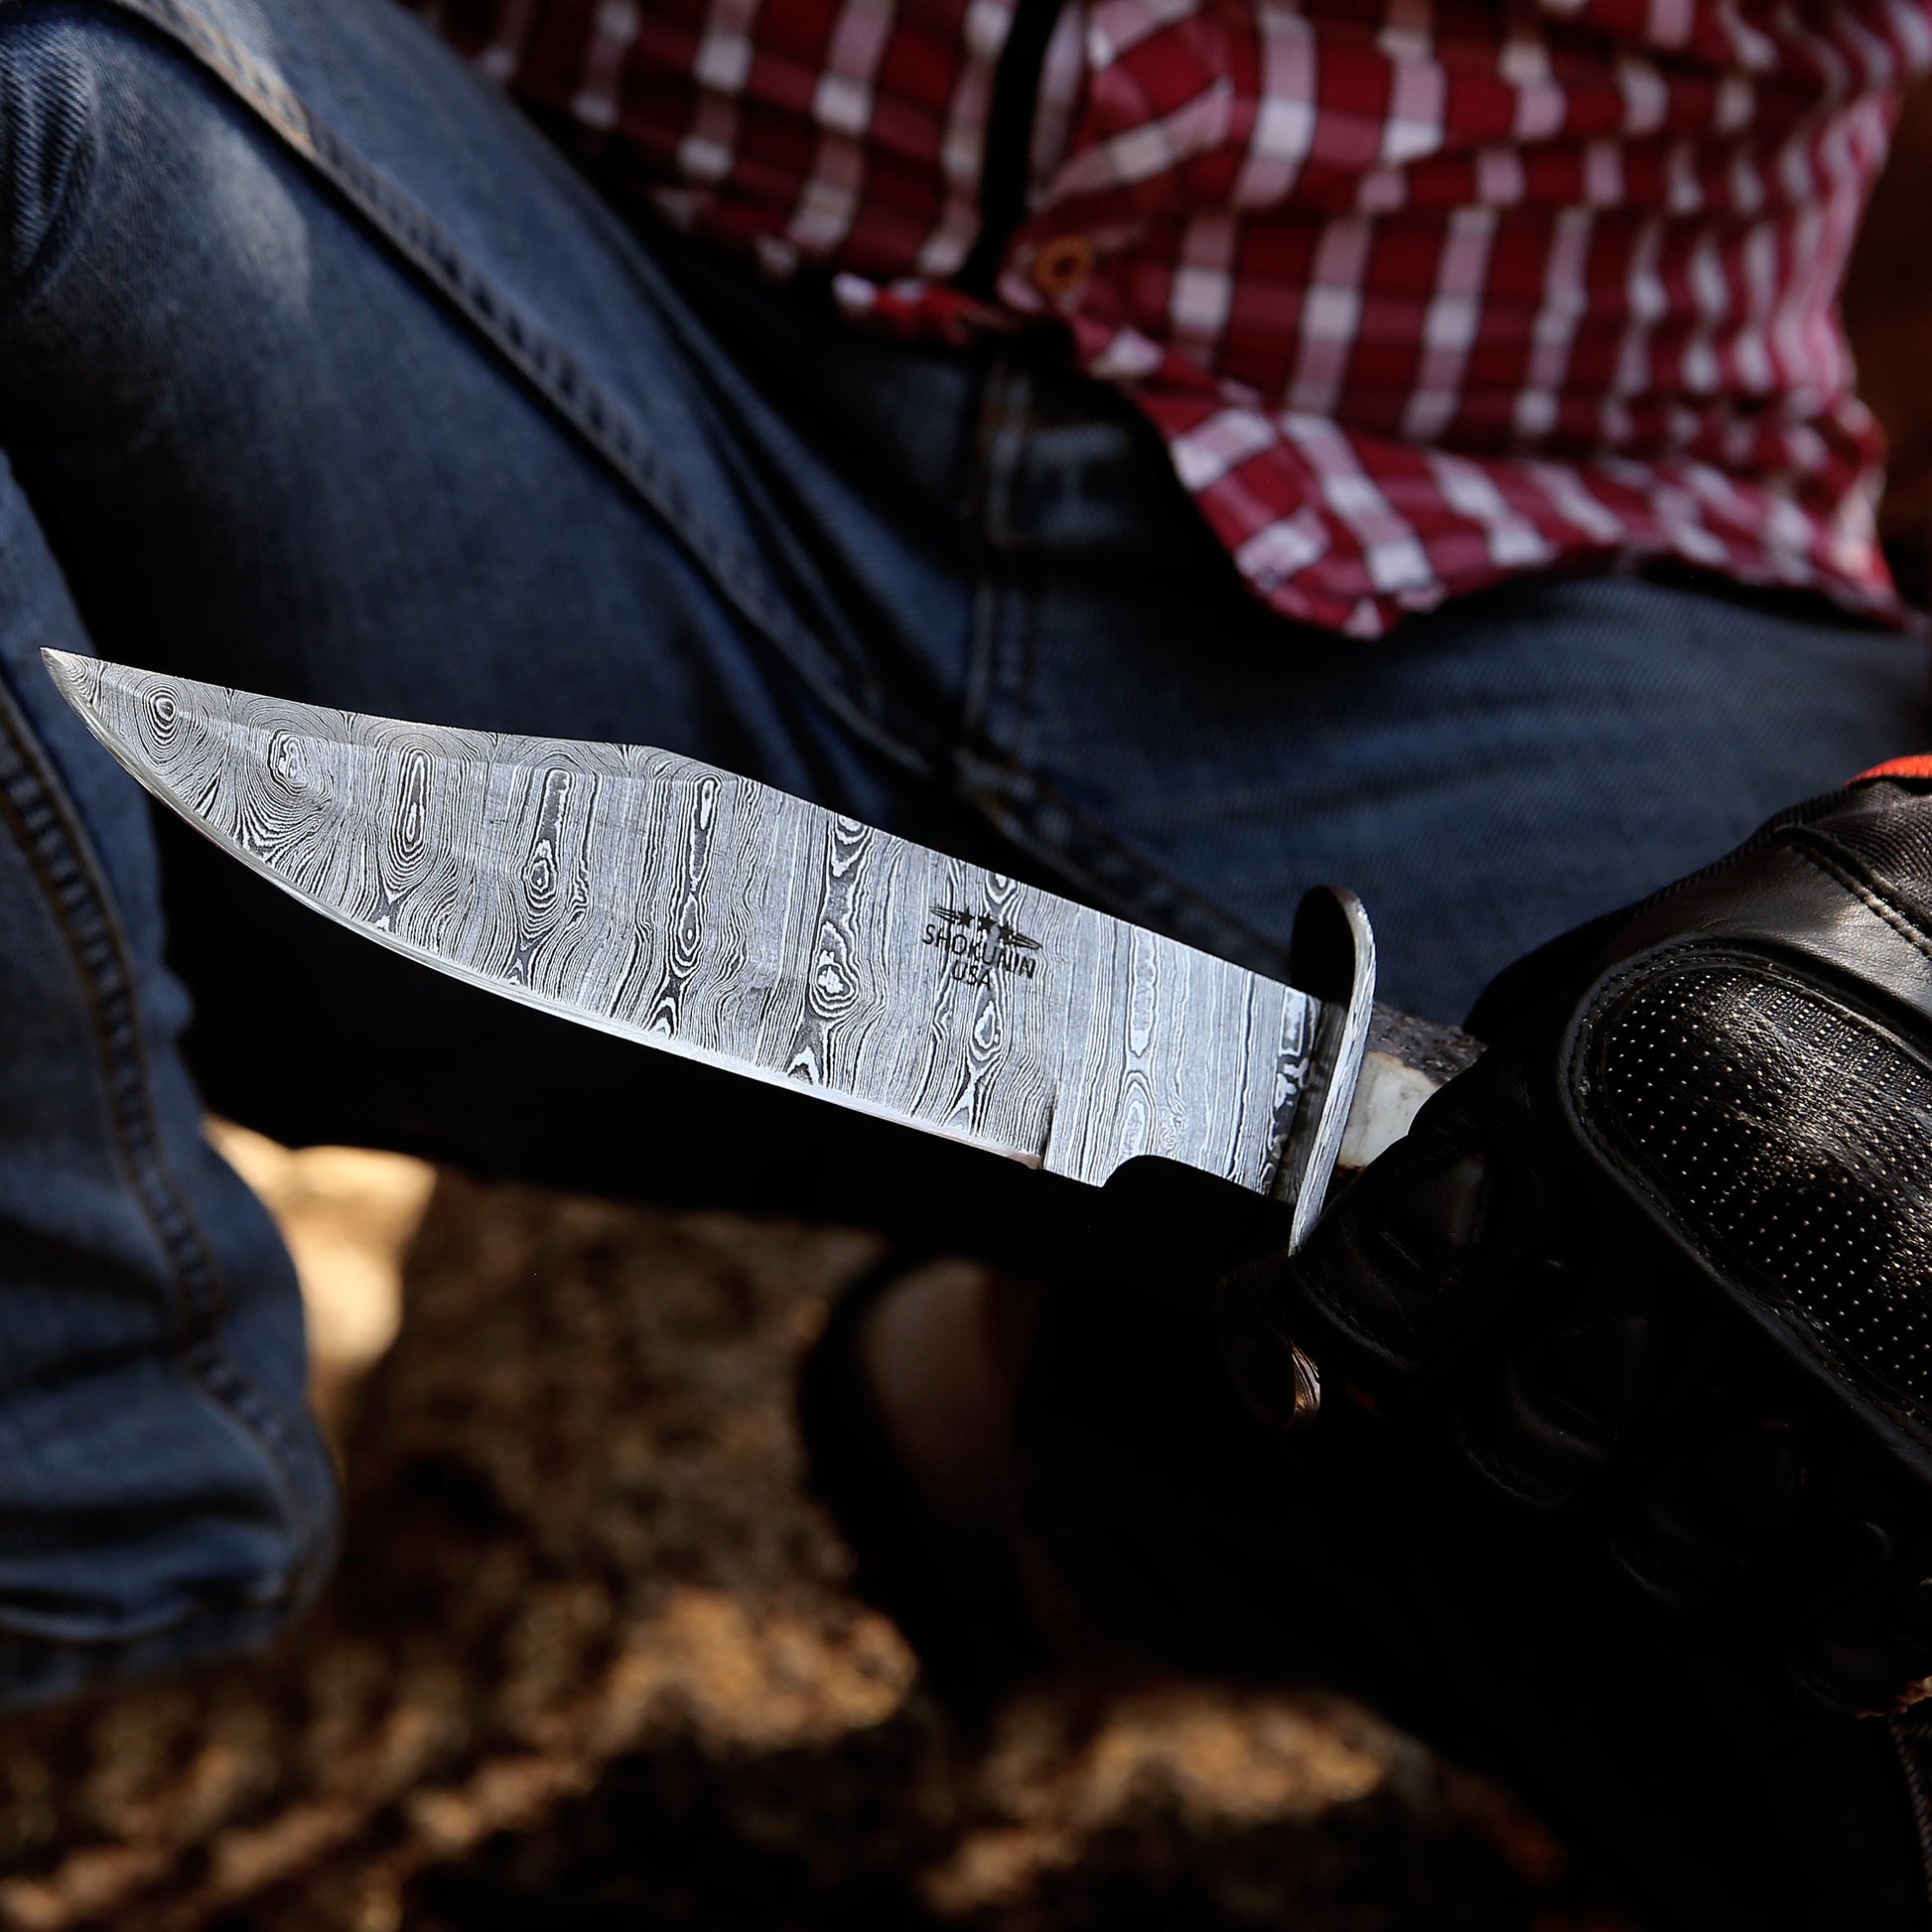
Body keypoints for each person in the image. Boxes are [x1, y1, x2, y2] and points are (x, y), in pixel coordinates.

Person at [0, 0, 1928, 1920]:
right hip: (534, 391)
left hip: (1547, 596)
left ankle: (1137, 1447)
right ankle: (80, 1514)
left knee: (1826, 1395)